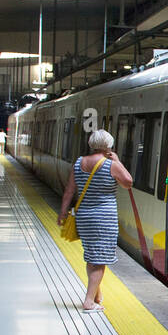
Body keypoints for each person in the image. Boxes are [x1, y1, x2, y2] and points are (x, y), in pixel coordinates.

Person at [58, 130, 132, 312]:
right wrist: (117, 161)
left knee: (93, 256)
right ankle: (89, 301)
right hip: (104, 219)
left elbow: (69, 190)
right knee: (99, 260)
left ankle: (96, 295)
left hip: (84, 217)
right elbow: (128, 182)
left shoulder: (79, 163)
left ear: (91, 144)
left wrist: (62, 212)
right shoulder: (110, 165)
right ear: (108, 145)